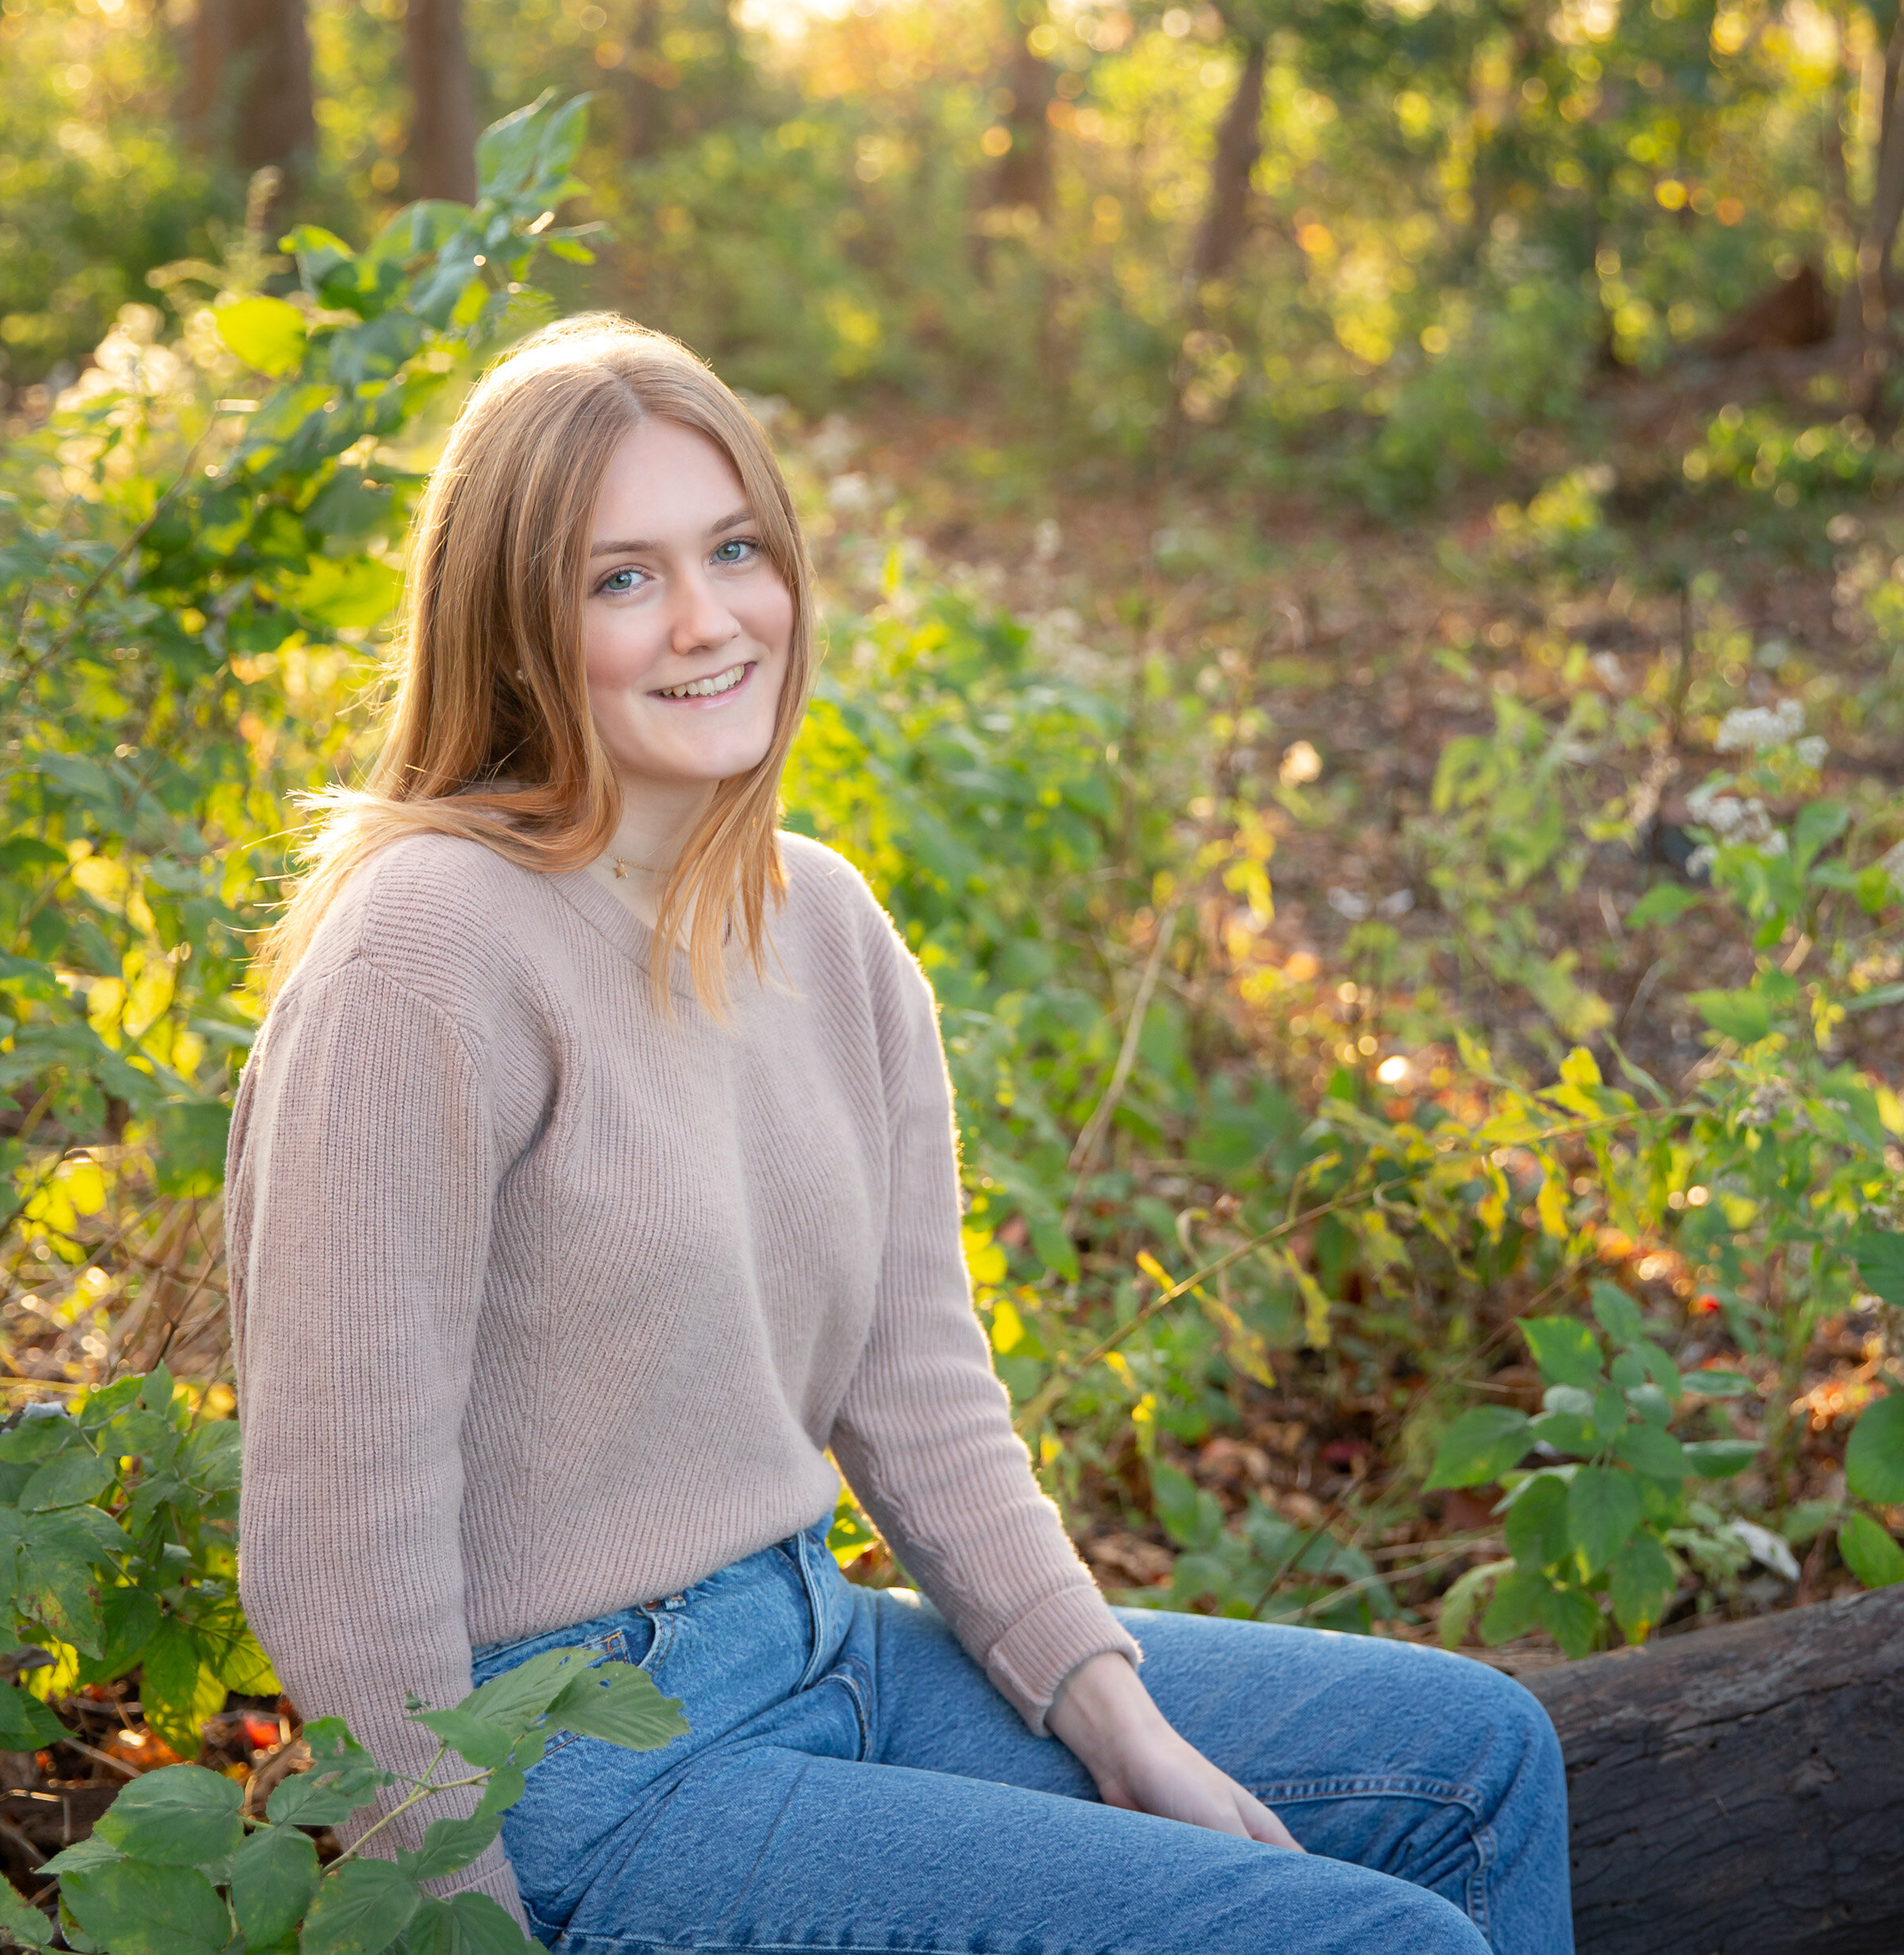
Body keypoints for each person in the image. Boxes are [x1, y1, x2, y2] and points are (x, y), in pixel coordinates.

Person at [225, 314, 1573, 1955]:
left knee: (1473, 1760)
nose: (710, 618)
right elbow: (336, 1544)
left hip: (826, 1644)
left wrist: (1109, 1714)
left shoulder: (826, 927)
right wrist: (455, 1910)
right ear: (513, 625)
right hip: (579, 1764)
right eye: (621, 578)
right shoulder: (425, 953)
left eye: (734, 549)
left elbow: (921, 1394)